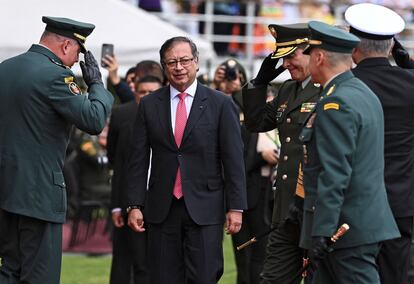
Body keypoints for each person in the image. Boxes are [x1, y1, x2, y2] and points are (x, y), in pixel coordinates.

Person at [0, 16, 113, 283]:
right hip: (37, 193)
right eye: (77, 51)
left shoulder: (5, 68)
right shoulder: (54, 75)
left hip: (5, 191)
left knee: (8, 271)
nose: (76, 60)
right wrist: (96, 84)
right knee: (40, 276)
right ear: (65, 46)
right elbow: (95, 120)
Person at [125, 36, 247, 284]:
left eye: (184, 60)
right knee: (162, 276)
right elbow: (138, 159)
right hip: (162, 207)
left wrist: (236, 207)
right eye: (171, 62)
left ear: (196, 62)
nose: (179, 67)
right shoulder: (149, 104)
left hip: (206, 207)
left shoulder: (220, 104)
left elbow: (233, 159)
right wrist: (134, 204)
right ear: (164, 66)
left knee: (204, 275)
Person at [299, 20, 400, 283]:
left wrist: (322, 230)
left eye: (309, 55)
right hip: (358, 223)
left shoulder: (337, 101)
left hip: (344, 229)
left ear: (319, 57)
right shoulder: (360, 92)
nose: (308, 61)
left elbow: (335, 173)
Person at [242, 23, 321, 283]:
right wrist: (259, 83)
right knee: (273, 278)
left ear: (313, 53)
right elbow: (256, 123)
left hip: (314, 208)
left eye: (291, 56)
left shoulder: (328, 89)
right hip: (285, 209)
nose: (286, 64)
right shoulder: (288, 89)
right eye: (282, 58)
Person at [344, 3, 414, 284]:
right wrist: (406, 63)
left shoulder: (346, 84)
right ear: (392, 46)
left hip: (355, 203)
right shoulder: (410, 83)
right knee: (396, 276)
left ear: (353, 47)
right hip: (401, 201)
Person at [214, 59, 275, 284]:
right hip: (235, 190)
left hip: (260, 192)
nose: (232, 79)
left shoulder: (248, 108)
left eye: (237, 75)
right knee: (242, 254)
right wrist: (218, 87)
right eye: (228, 75)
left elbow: (251, 112)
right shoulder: (218, 102)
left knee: (260, 252)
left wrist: (238, 90)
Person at [107, 75, 163, 284]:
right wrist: (117, 206)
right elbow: (118, 165)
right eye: (143, 92)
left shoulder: (175, 121)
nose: (147, 97)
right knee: (139, 263)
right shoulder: (126, 120)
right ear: (135, 93)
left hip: (166, 202)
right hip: (134, 203)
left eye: (153, 92)